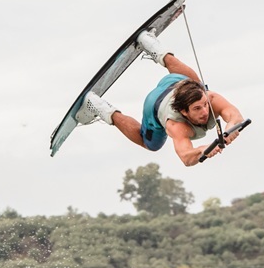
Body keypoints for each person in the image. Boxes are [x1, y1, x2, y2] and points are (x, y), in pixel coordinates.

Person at [75, 29, 245, 166]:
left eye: (204, 105)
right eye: (197, 109)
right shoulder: (176, 125)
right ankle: (100, 107)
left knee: (198, 84)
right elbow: (186, 157)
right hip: (155, 103)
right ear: (184, 112)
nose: (205, 112)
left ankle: (151, 45)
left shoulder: (210, 99)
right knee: (150, 144)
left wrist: (230, 130)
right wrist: (202, 150)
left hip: (176, 82)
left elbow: (235, 115)